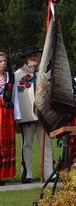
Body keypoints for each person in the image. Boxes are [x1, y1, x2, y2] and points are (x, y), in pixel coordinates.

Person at [14, 44, 52, 182]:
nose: (33, 57)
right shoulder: (18, 74)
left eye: (35, 55)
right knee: (27, 144)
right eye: (30, 56)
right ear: (26, 58)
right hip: (27, 115)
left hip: (44, 115)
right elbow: (15, 97)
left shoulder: (47, 72)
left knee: (46, 144)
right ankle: (27, 173)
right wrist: (17, 115)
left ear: (40, 56)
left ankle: (48, 172)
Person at [0, 53, 17, 185]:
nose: (3, 63)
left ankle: (2, 174)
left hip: (7, 114)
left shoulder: (10, 77)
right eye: (0, 61)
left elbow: (15, 96)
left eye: (5, 61)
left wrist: (18, 115)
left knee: (5, 142)